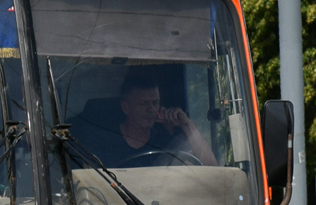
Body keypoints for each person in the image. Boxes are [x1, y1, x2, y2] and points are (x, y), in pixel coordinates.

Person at [73, 69, 216, 167]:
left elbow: (212, 169)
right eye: (143, 103)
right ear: (126, 108)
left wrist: (187, 124)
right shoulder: (101, 142)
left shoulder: (166, 143)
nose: (152, 109)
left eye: (155, 103)